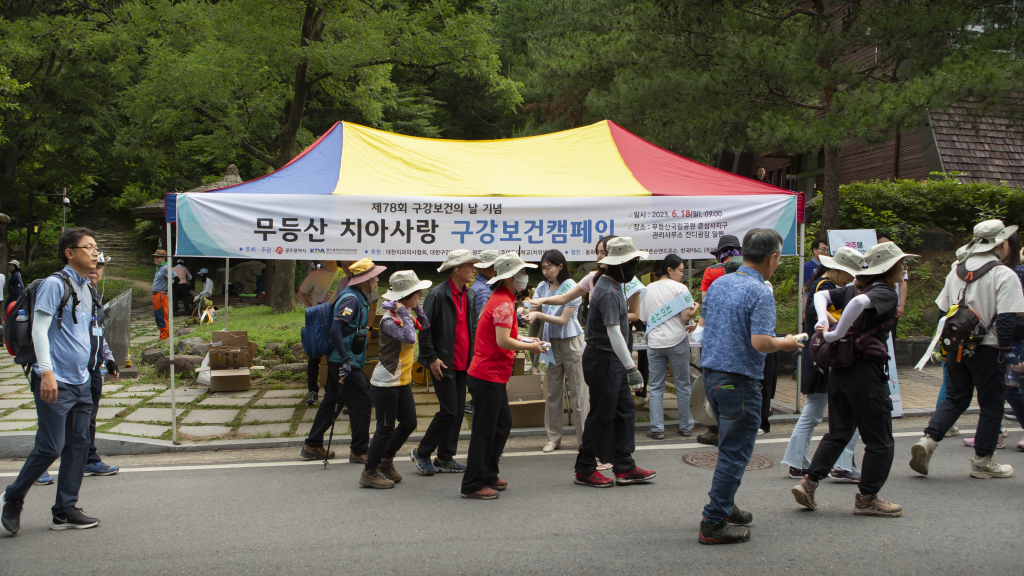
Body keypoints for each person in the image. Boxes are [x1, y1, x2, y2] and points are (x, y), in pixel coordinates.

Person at [793, 241, 914, 519]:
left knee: (839, 431)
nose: (904, 268)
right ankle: (868, 497)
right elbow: (859, 304)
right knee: (880, 440)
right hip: (866, 373)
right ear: (888, 268)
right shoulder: (884, 291)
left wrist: (824, 322)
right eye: (901, 264)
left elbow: (821, 297)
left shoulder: (854, 287)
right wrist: (834, 334)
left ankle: (808, 482)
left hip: (841, 369)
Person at [698, 228, 801, 545]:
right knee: (734, 454)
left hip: (712, 377)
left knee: (729, 450)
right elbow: (760, 342)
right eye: (779, 258)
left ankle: (724, 506)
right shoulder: (760, 291)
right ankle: (714, 522)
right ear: (773, 257)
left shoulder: (719, 283)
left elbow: (705, 327)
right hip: (739, 383)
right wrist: (787, 343)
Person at [2, 229, 102, 535]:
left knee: (79, 443)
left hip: (81, 381)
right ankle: (13, 496)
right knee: (50, 447)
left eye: (97, 248)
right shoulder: (53, 285)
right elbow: (39, 330)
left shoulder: (87, 288)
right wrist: (45, 372)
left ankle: (64, 510)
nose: (96, 253)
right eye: (88, 248)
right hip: (54, 380)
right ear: (69, 253)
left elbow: (84, 333)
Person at [910, 220, 1024, 479]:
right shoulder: (1004, 274)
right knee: (992, 404)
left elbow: (943, 311)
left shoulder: (956, 271)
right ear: (1002, 242)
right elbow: (1007, 318)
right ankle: (982, 461)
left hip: (956, 346)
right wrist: (1006, 351)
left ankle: (928, 440)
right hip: (988, 348)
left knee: (956, 397)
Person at [461, 252, 546, 500]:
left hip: (492, 375)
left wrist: (528, 339)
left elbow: (507, 336)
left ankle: (487, 473)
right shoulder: (502, 302)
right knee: (484, 431)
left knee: (501, 425)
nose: (524, 277)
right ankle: (473, 483)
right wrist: (530, 347)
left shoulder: (503, 298)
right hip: (487, 375)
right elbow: (502, 340)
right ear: (509, 277)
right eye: (521, 273)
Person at [573, 237, 657, 489]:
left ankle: (624, 464)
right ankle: (585, 468)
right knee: (601, 414)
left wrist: (626, 366)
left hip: (612, 360)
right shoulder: (608, 291)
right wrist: (632, 367)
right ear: (619, 264)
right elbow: (613, 332)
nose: (634, 267)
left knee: (624, 410)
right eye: (632, 262)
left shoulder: (614, 285)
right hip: (603, 359)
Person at [782, 247, 862, 481]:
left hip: (818, 357)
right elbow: (836, 322)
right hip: (825, 358)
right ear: (836, 270)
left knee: (815, 412)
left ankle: (798, 461)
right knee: (837, 412)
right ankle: (841, 464)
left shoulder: (818, 286)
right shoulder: (825, 289)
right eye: (848, 274)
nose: (851, 280)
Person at [299, 258, 384, 464]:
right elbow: (336, 328)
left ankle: (313, 444)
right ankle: (359, 450)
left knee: (333, 401)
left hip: (347, 358)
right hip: (345, 361)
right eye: (374, 276)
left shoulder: (360, 296)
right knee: (364, 401)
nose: (377, 279)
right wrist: (345, 360)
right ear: (365, 279)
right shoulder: (351, 299)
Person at [360, 271, 433, 489]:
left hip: (402, 381)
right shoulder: (388, 320)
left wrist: (411, 307)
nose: (420, 295)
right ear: (406, 295)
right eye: (417, 293)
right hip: (385, 383)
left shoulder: (406, 314)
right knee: (385, 429)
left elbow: (426, 325)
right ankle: (369, 472)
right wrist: (402, 309)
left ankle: (385, 460)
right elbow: (410, 337)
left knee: (409, 422)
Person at [412, 250, 482, 475]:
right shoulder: (438, 294)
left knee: (458, 410)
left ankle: (445, 456)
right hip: (443, 362)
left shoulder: (468, 294)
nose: (474, 270)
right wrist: (431, 358)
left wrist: (473, 358)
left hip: (464, 362)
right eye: (470, 266)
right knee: (450, 410)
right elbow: (424, 328)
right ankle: (422, 451)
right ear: (456, 269)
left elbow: (472, 328)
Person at [962, 231, 1024, 450]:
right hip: (996, 340)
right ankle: (992, 434)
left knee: (1010, 387)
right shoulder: (996, 271)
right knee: (993, 391)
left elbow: (1013, 313)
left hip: (1013, 339)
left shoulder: (1016, 272)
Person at [526, 249, 588, 453]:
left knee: (579, 392)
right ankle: (553, 438)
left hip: (572, 342)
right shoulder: (542, 287)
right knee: (552, 392)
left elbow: (563, 320)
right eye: (543, 268)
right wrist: (524, 311)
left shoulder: (572, 287)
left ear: (560, 266)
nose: (545, 272)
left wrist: (538, 315)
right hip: (550, 343)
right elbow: (532, 309)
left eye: (548, 267)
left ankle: (584, 440)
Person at [639, 254, 700, 439]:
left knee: (656, 386)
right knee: (682, 385)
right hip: (677, 340)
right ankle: (686, 426)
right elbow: (685, 317)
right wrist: (696, 307)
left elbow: (643, 319)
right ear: (669, 270)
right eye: (680, 270)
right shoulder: (680, 288)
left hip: (655, 342)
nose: (682, 274)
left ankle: (657, 429)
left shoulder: (646, 289)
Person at [695, 234, 743, 446]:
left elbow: (705, 301)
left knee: (715, 379)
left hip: (715, 333)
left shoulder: (711, 271)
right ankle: (736, 429)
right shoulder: (748, 271)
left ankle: (715, 428)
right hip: (739, 336)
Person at [83, 253, 120, 478]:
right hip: (71, 370)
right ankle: (40, 466)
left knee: (89, 417)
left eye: (100, 266)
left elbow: (98, 332)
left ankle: (89, 460)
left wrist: (108, 358)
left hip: (93, 368)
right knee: (61, 420)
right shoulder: (71, 294)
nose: (95, 269)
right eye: (92, 265)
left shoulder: (95, 295)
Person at [297, 260, 352, 406]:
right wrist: (311, 310)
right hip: (318, 321)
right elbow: (301, 293)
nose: (324, 259)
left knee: (334, 357)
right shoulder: (314, 275)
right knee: (314, 356)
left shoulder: (343, 274)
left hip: (337, 320)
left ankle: (330, 390)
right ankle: (313, 391)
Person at [151, 250, 176, 341]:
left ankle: (165, 337)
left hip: (161, 295)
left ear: (163, 258)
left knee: (162, 316)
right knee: (158, 316)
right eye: (154, 257)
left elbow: (176, 279)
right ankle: (162, 335)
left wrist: (170, 290)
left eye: (157, 257)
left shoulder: (166, 268)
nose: (155, 259)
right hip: (156, 296)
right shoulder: (159, 268)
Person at [471, 249, 500, 316]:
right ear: (485, 267)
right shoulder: (483, 290)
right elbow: (485, 319)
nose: (498, 269)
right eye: (495, 266)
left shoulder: (481, 286)